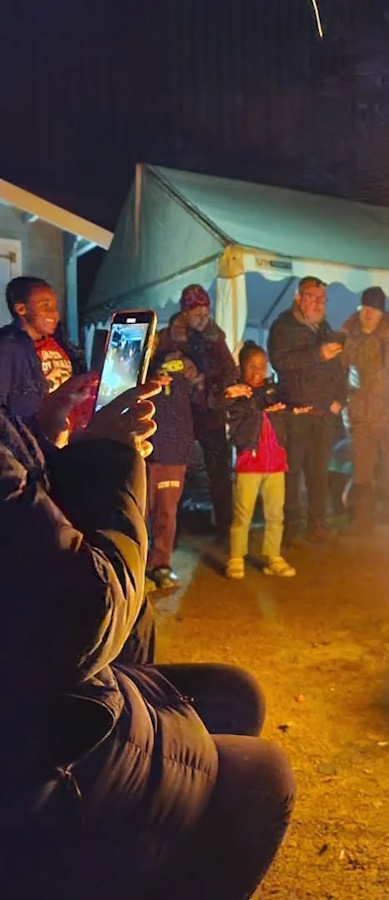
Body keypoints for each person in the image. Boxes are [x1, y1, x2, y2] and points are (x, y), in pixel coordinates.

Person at [0, 378, 295, 899]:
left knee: (234, 694)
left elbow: (23, 521)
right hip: (37, 748)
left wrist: (42, 443)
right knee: (262, 776)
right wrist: (115, 459)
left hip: (59, 690)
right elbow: (86, 615)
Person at [268, 275, 346, 543]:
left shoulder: (325, 329)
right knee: (291, 474)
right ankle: (290, 528)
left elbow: (339, 369)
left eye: (323, 299)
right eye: (313, 297)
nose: (319, 303)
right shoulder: (284, 328)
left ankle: (317, 524)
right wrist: (317, 354)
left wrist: (340, 400)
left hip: (323, 415)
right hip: (295, 414)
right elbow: (280, 361)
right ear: (299, 299)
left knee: (319, 474)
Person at [341, 286, 389, 535]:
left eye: (375, 310)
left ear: (382, 312)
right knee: (362, 474)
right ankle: (363, 523)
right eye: (366, 309)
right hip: (361, 418)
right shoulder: (347, 337)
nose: (369, 314)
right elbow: (338, 375)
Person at [224, 342, 296, 579]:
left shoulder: (273, 392)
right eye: (252, 366)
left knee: (276, 513)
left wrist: (290, 410)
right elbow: (243, 416)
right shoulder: (237, 395)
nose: (258, 371)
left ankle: (273, 556)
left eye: (262, 366)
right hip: (249, 464)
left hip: (276, 463)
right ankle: (236, 557)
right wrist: (262, 406)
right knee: (242, 514)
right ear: (242, 368)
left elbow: (284, 413)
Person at [145, 312, 202, 591]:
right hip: (141, 451)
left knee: (167, 513)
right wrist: (151, 380)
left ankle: (161, 564)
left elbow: (201, 400)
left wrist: (195, 377)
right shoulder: (138, 368)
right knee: (138, 512)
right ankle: (137, 566)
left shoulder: (184, 366)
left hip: (172, 453)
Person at [180, 284, 238, 543]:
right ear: (185, 313)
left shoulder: (217, 338)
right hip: (183, 416)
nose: (203, 318)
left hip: (211, 413)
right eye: (197, 313)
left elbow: (231, 371)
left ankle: (225, 528)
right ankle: (175, 530)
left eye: (206, 313)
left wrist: (208, 380)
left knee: (219, 474)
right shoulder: (173, 337)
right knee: (179, 472)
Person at [0, 276, 93, 428]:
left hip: (69, 437)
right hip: (39, 441)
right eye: (45, 306)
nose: (54, 313)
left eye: (55, 307)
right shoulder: (7, 348)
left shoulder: (61, 342)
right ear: (21, 309)